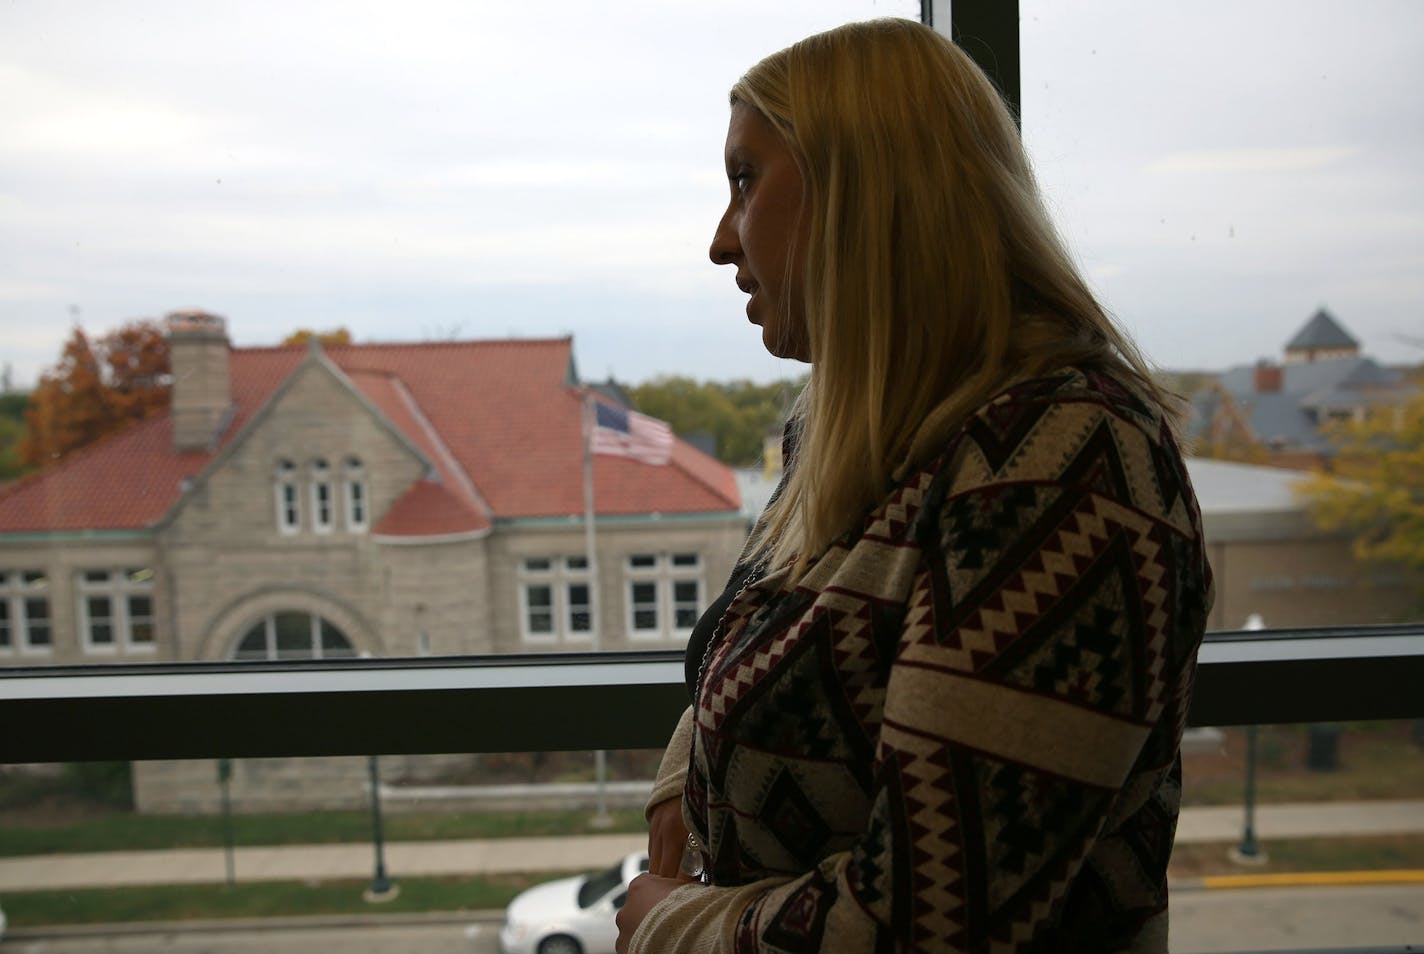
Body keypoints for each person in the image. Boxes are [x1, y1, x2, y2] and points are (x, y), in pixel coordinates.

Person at [617, 17, 1212, 953]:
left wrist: (670, 927)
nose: (721, 242)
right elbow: (775, 640)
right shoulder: (859, 432)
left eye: (745, 180)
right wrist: (683, 782)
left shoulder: (1061, 469)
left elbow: (930, 926)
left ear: (868, 191)